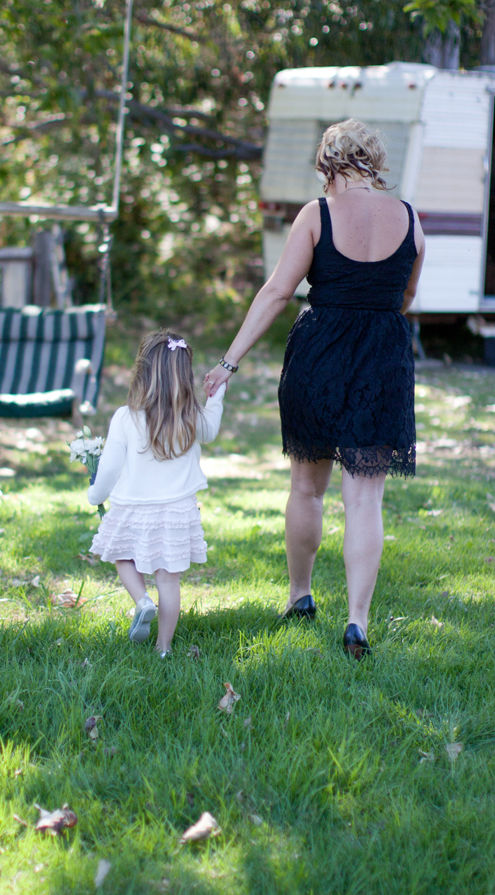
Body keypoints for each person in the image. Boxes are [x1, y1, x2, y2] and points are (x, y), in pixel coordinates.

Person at [204, 119, 425, 659]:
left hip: (319, 353)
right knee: (365, 498)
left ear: (328, 162)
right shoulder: (412, 221)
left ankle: (301, 596)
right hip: (383, 360)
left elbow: (279, 291)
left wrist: (227, 364)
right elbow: (405, 298)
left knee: (307, 487)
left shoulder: (316, 215)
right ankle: (357, 623)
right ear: (374, 162)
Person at [88, 330, 226, 656]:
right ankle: (163, 649)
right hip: (177, 510)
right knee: (169, 581)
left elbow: (108, 468)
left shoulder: (126, 417)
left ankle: (142, 601)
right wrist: (216, 395)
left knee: (122, 556)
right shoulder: (191, 417)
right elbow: (212, 429)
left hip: (132, 507)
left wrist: (96, 495)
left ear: (143, 372)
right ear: (184, 375)